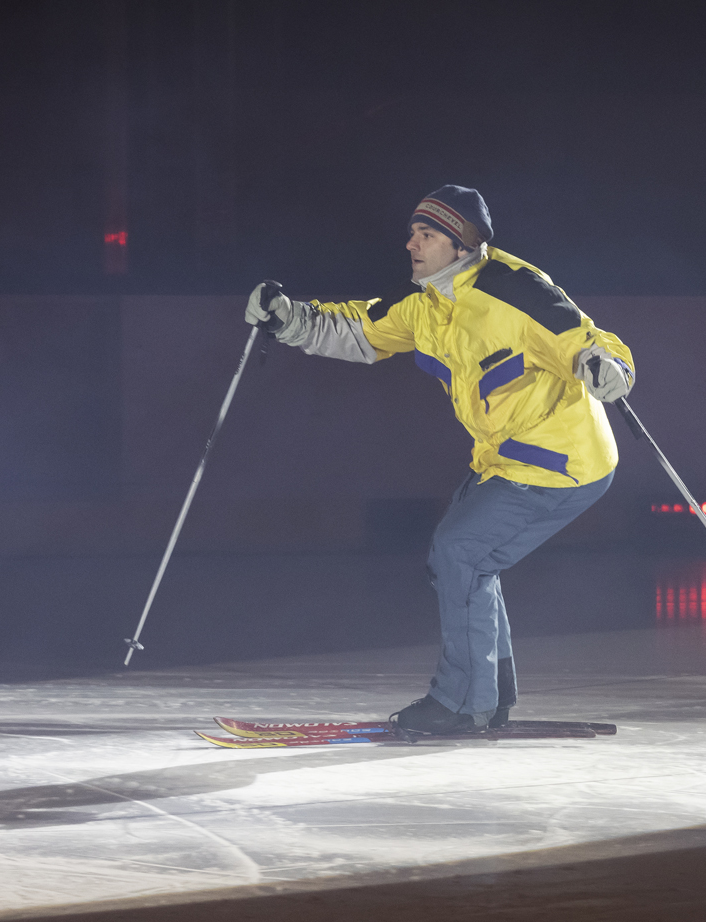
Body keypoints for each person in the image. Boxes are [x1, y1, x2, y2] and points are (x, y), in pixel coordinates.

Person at [246, 185, 634, 734]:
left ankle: (460, 705)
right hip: (505, 460)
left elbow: (592, 341)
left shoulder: (514, 291)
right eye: (412, 232)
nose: (411, 243)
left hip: (562, 462)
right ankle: (491, 695)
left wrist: (611, 366)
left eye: (426, 234)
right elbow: (358, 329)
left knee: (461, 553)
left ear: (461, 244)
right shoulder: (427, 303)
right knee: (458, 560)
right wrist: (287, 318)